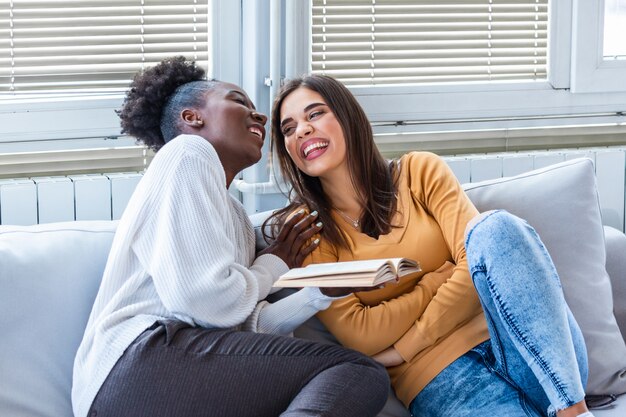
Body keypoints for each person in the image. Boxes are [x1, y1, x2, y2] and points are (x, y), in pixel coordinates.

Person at [71, 57, 390, 417]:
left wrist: (318, 293)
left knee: (353, 375)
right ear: (192, 118)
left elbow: (244, 328)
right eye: (239, 101)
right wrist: (272, 264)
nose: (261, 117)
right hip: (137, 362)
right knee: (356, 373)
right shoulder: (186, 154)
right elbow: (205, 300)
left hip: (168, 371)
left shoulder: (235, 215)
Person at [267, 73, 595, 417]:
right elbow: (361, 335)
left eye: (314, 114)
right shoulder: (311, 231)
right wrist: (440, 277)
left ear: (348, 117)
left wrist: (403, 347)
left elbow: (481, 255)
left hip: (527, 348)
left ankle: (574, 411)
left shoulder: (419, 172)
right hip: (443, 381)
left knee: (495, 226)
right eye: (289, 129)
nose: (301, 130)